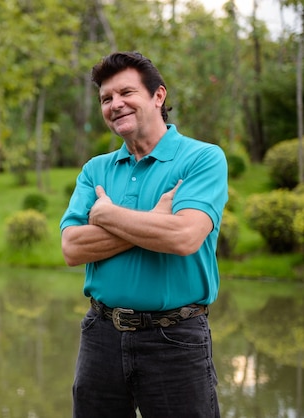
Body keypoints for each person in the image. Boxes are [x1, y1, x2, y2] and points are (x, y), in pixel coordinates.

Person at [60, 51, 228, 418]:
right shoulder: (95, 169)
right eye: (106, 99)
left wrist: (107, 215)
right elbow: (72, 247)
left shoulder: (203, 158)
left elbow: (184, 236)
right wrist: (153, 221)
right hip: (101, 335)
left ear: (158, 96)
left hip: (176, 338)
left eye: (126, 93)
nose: (115, 104)